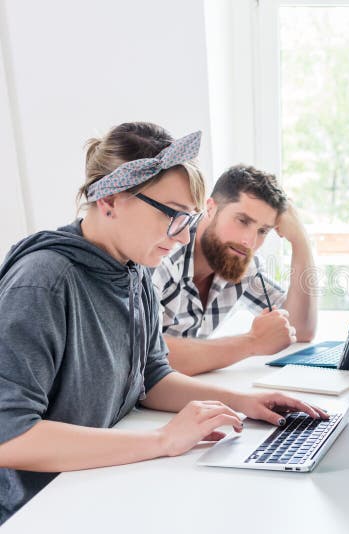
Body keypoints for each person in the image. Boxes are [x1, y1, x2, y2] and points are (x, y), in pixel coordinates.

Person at [0, 123, 326, 525]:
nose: (186, 237)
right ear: (111, 200)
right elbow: (9, 435)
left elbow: (151, 377)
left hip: (91, 484)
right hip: (32, 510)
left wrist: (243, 403)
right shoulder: (43, 282)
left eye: (190, 219)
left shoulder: (133, 270)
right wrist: (162, 440)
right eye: (173, 216)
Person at [152, 165, 318, 376]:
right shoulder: (163, 254)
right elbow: (147, 356)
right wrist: (252, 342)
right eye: (243, 221)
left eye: (262, 231)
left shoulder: (238, 261)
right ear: (210, 208)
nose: (249, 241)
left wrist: (300, 240)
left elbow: (300, 328)